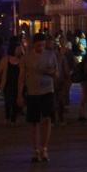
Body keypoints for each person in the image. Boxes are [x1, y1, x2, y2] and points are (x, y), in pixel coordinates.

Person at [18, 33, 58, 162]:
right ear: (33, 44)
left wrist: (50, 72)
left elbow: (56, 73)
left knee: (47, 119)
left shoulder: (51, 55)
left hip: (47, 90)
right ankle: (35, 150)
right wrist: (19, 94)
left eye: (43, 45)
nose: (41, 47)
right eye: (39, 45)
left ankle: (44, 148)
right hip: (33, 92)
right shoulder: (26, 57)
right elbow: (21, 77)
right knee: (34, 122)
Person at [0, 44, 23, 125]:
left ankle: (13, 119)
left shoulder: (22, 60)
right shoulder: (5, 60)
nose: (20, 51)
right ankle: (7, 117)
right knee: (8, 101)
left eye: (20, 49)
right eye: (18, 49)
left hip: (18, 84)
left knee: (16, 102)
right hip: (7, 84)